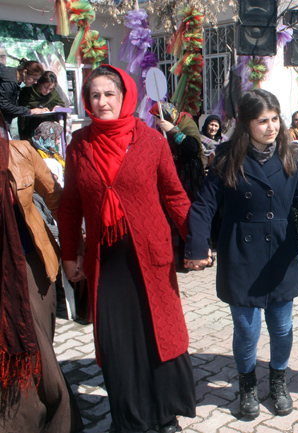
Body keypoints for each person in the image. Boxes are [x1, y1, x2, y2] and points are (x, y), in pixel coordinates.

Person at [184, 89, 298, 420]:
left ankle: (278, 381)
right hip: (241, 254)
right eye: (262, 121)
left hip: (280, 254)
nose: (271, 127)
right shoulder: (226, 158)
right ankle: (246, 385)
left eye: (275, 119)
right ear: (246, 124)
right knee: (246, 329)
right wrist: (197, 246)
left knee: (282, 326)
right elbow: (203, 207)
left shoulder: (293, 157)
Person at [58, 65, 196, 433]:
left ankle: (166, 416)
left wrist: (195, 242)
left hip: (150, 256)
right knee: (118, 343)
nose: (102, 102)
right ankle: (129, 419)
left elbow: (174, 195)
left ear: (125, 97)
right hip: (106, 260)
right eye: (95, 95)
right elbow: (70, 204)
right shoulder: (80, 144)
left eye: (109, 94)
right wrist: (69, 256)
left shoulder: (151, 140)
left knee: (159, 335)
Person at [0, 112, 83, 433]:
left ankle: (55, 417)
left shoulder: (22, 152)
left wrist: (76, 250)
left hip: (31, 267)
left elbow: (58, 200)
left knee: (38, 348)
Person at [151, 101, 204, 202]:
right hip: (173, 172)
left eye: (157, 119)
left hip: (189, 173)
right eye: (155, 119)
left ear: (167, 117)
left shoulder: (187, 124)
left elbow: (193, 148)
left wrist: (173, 131)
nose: (157, 122)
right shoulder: (161, 129)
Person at [0, 59, 47, 131]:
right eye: (34, 79)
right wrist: (30, 111)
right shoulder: (8, 82)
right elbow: (4, 105)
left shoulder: (13, 78)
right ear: (25, 72)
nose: (35, 82)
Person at [18, 71, 66, 140]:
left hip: (48, 131)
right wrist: (36, 110)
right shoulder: (27, 92)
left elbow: (61, 104)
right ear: (39, 83)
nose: (47, 91)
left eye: (50, 89)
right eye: (45, 87)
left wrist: (58, 107)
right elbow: (22, 109)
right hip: (29, 129)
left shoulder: (53, 94)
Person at [30, 121, 65, 187]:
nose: (58, 142)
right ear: (47, 138)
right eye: (57, 139)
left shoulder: (53, 153)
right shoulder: (39, 156)